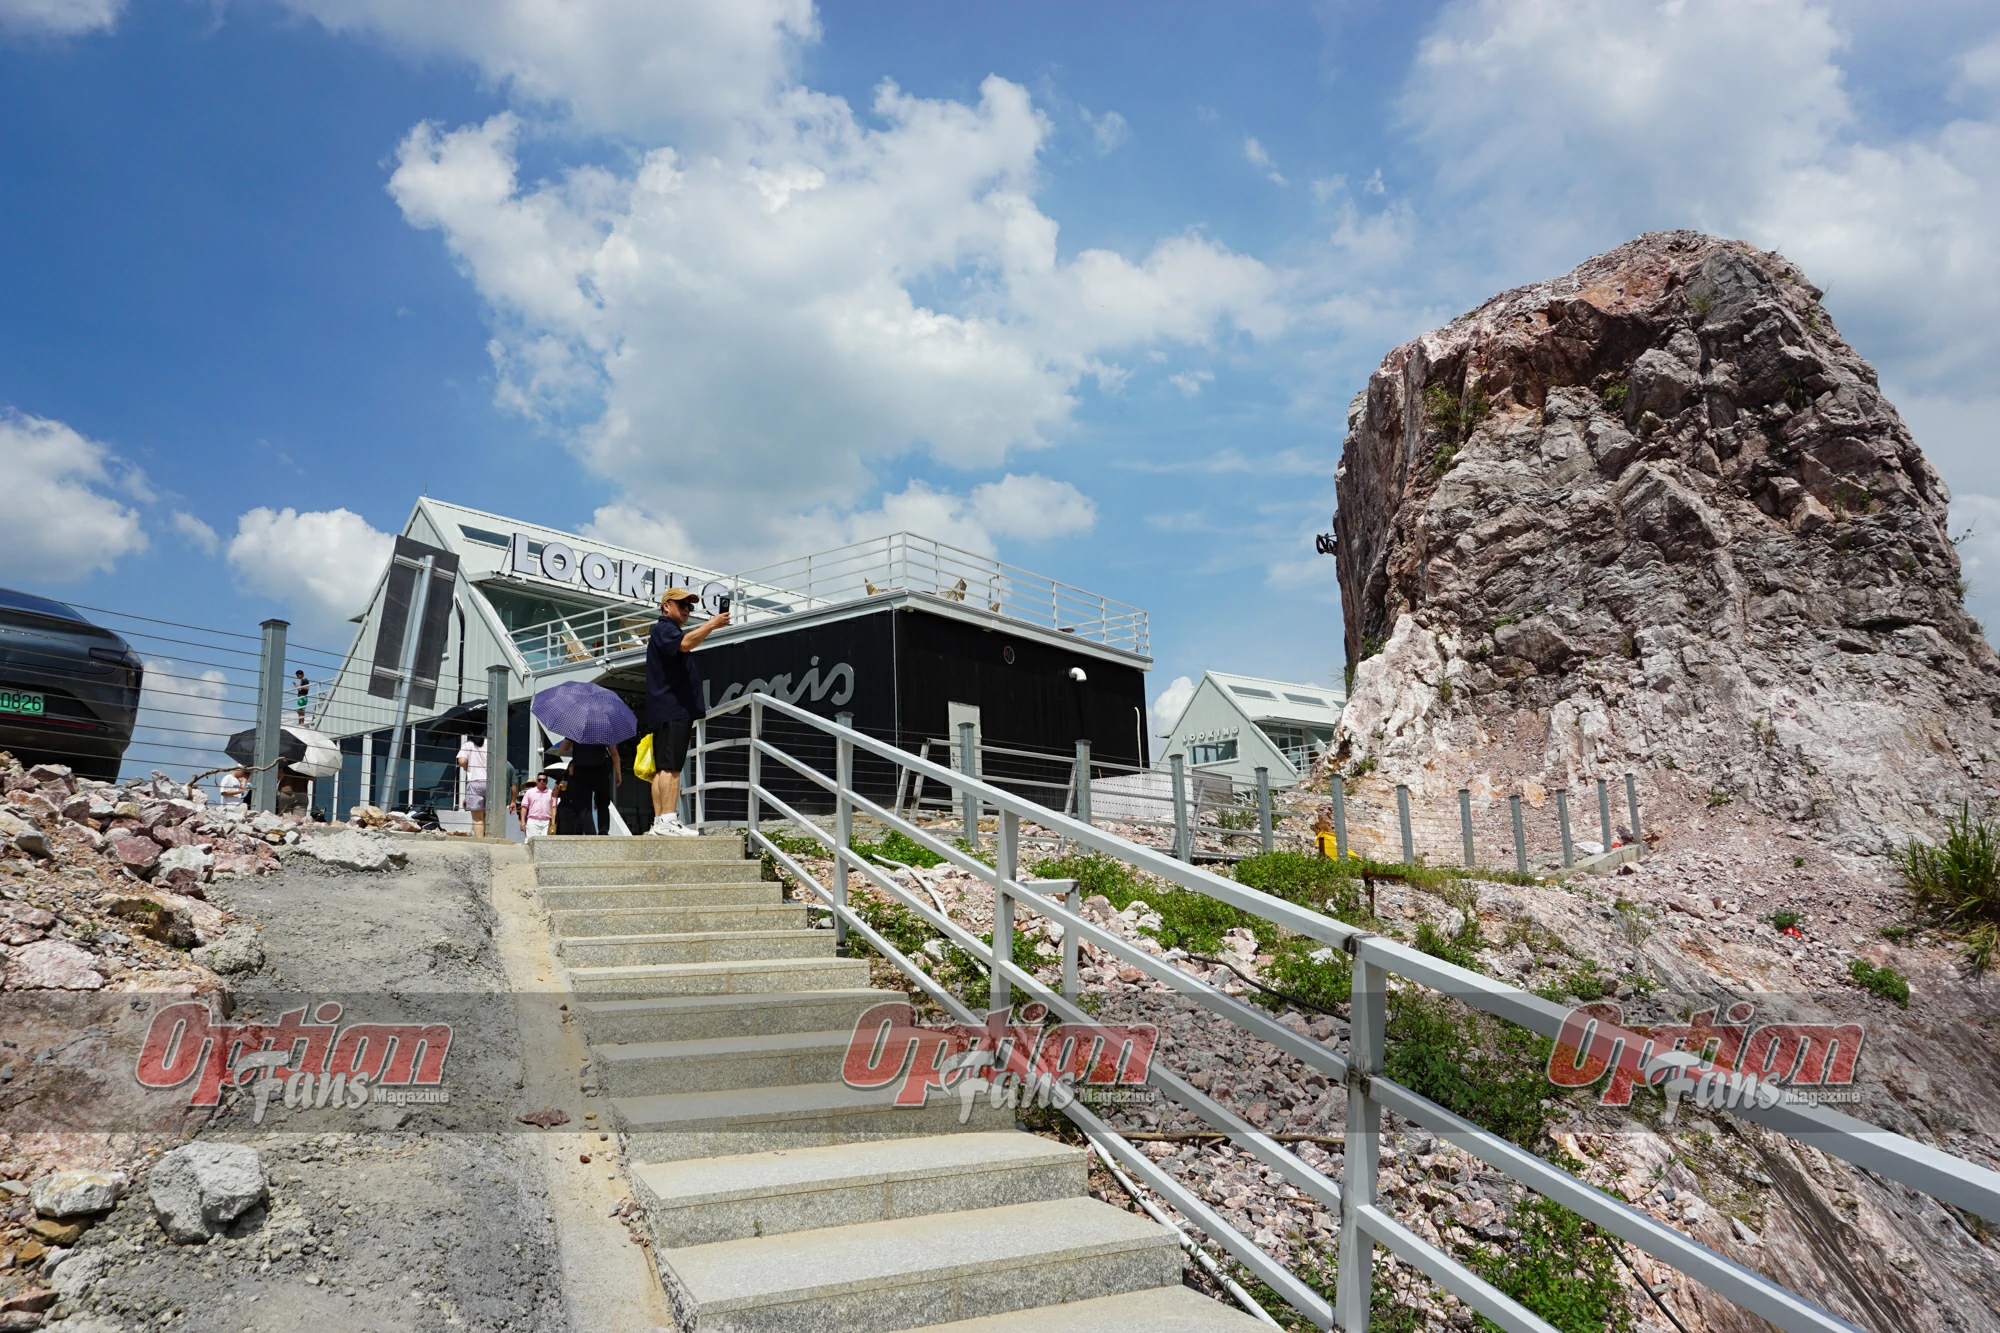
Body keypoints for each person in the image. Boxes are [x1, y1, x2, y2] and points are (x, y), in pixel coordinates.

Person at [644, 587, 729, 837]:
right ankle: (669, 820)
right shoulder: (665, 629)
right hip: (674, 708)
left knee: (662, 768)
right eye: (681, 605)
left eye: (689, 606)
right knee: (672, 767)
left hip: (665, 709)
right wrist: (712, 624)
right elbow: (684, 644)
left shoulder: (662, 631)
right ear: (666, 606)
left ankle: (660, 821)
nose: (687, 610)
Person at [557, 737, 621, 835]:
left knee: (583, 804)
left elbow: (562, 749)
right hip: (600, 771)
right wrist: (618, 773)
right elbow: (614, 753)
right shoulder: (604, 732)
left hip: (581, 771)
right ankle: (603, 831)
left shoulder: (576, 732)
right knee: (603, 803)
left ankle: (585, 831)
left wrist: (574, 747)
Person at [457, 731, 489, 837]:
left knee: (477, 818)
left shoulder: (468, 745)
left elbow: (462, 761)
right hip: (490, 782)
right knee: (488, 815)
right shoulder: (489, 743)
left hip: (475, 781)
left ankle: (481, 841)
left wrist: (467, 767)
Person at [518, 772, 556, 840]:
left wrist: (553, 823)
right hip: (533, 821)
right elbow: (524, 807)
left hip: (546, 822)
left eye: (544, 780)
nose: (541, 781)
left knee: (546, 843)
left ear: (547, 782)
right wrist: (522, 821)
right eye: (539, 780)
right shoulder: (529, 792)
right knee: (531, 842)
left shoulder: (551, 793)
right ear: (537, 781)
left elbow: (554, 808)